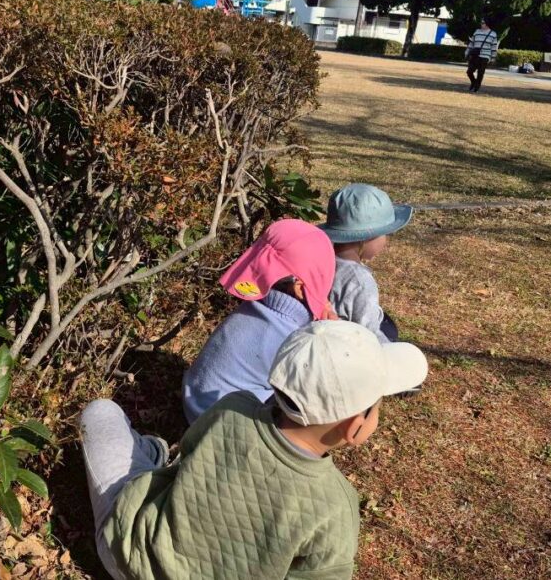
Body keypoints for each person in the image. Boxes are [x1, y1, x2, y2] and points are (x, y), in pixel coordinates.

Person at [80, 320, 430, 579]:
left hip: (128, 557)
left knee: (101, 412)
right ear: (355, 426)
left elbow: (189, 454)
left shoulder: (233, 408)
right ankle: (151, 456)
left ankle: (150, 453)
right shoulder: (337, 506)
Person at [181, 219, 336, 423]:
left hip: (195, 402)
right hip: (217, 423)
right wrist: (334, 332)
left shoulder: (258, 309)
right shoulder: (289, 337)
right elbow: (317, 384)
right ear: (299, 288)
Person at [321, 184, 412, 344]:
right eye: (385, 234)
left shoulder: (321, 259)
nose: (386, 241)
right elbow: (369, 334)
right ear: (367, 238)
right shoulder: (359, 280)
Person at [465, 17, 499, 93]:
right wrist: (467, 51)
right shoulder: (477, 32)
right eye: (481, 23)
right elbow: (472, 43)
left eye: (483, 23)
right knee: (469, 71)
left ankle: (477, 87)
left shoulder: (493, 34)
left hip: (485, 56)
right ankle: (473, 82)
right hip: (475, 55)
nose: (481, 24)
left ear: (487, 24)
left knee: (480, 72)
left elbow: (494, 47)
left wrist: (493, 58)